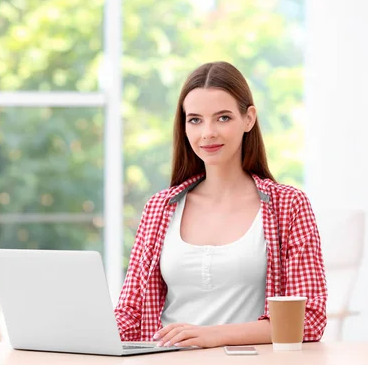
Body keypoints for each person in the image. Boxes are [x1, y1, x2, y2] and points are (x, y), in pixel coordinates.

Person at [114, 61, 327, 349]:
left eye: (223, 118)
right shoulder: (160, 207)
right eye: (195, 120)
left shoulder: (288, 206)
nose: (208, 132)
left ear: (248, 119)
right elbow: (129, 314)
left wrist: (213, 335)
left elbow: (308, 319)